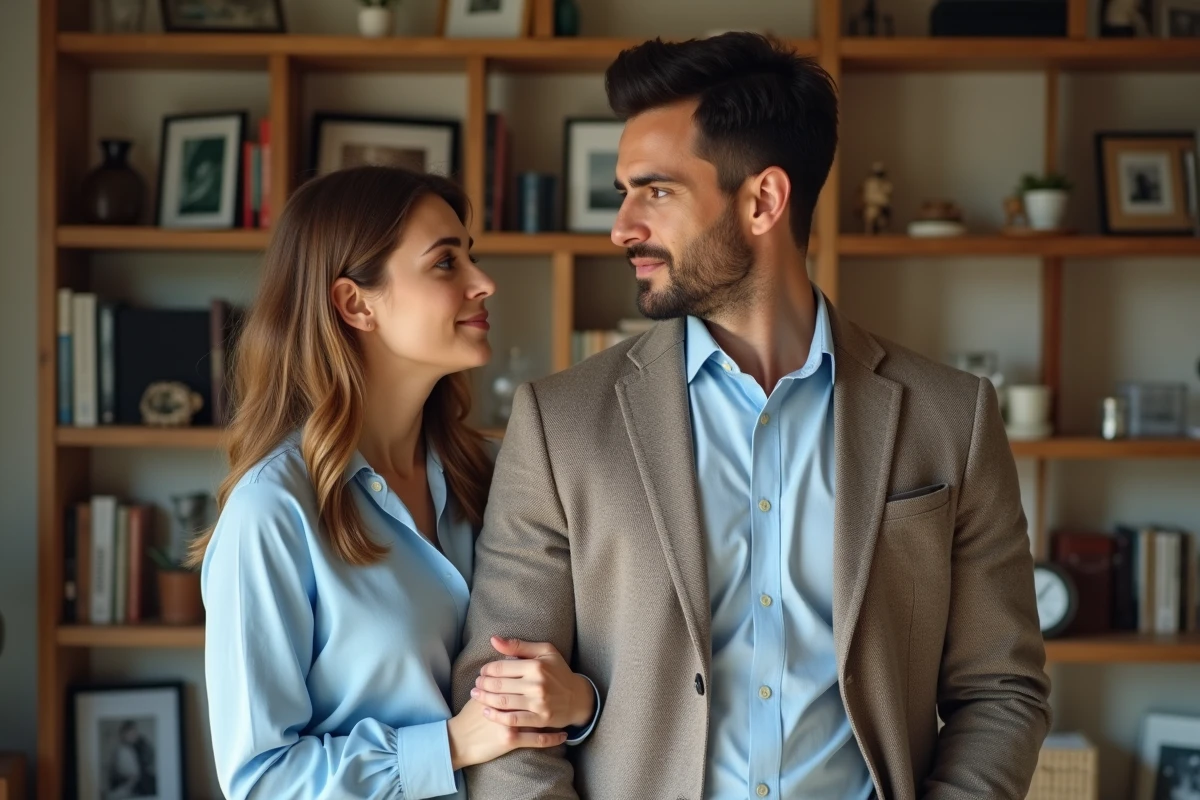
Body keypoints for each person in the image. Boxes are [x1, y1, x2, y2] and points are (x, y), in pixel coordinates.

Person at [452, 32, 1052, 800]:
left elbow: (1001, 690)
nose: (622, 226)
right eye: (623, 192)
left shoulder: (952, 419)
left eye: (656, 191)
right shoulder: (558, 423)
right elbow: (501, 705)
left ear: (764, 199)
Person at [194, 166, 600, 799]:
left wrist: (578, 704)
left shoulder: (496, 479)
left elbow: (558, 675)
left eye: (472, 257)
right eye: (445, 264)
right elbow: (260, 780)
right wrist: (455, 743)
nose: (484, 283)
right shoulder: (272, 514)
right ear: (356, 303)